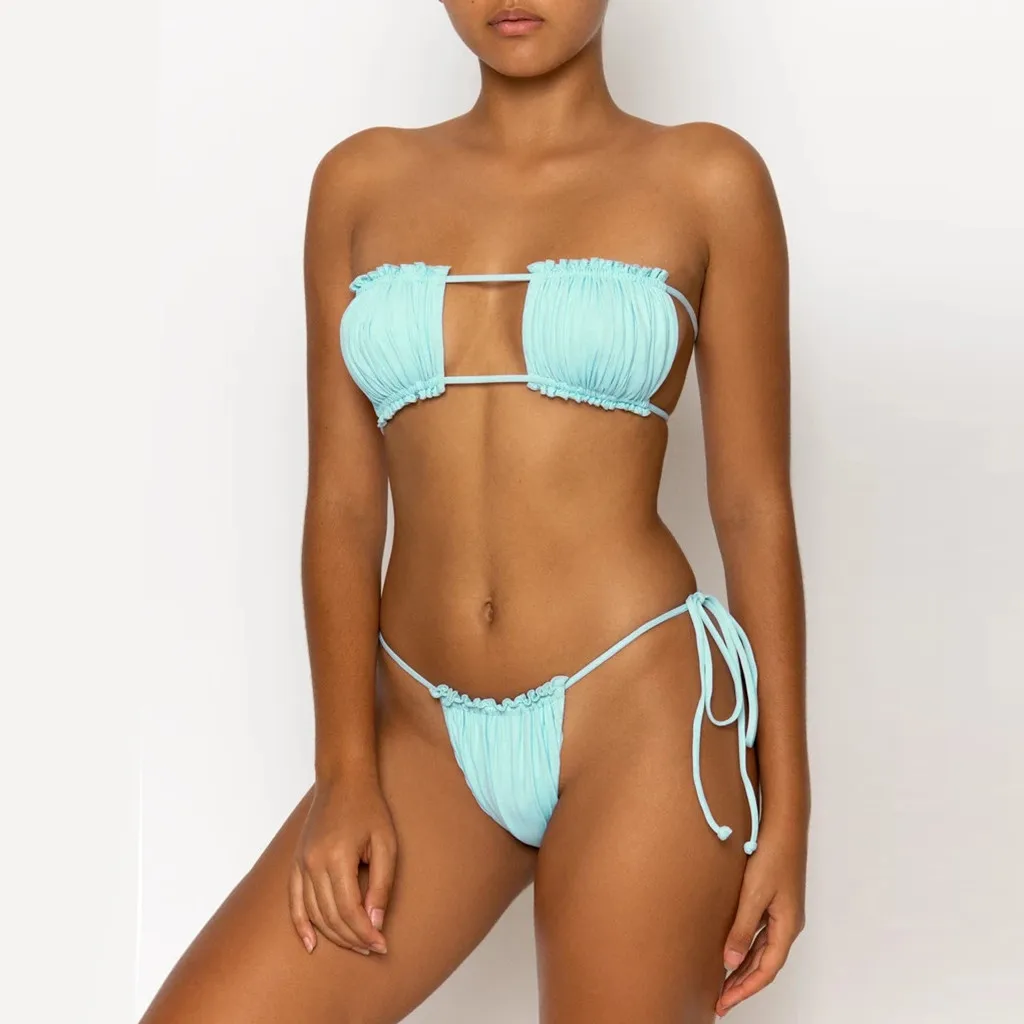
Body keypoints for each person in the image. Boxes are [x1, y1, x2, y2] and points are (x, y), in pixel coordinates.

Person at [141, 1, 810, 1021]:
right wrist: (344, 773)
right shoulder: (360, 183)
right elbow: (343, 502)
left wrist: (789, 811)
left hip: (640, 721)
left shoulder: (707, 179)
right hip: (422, 733)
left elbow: (753, 507)